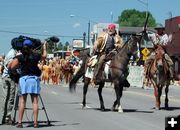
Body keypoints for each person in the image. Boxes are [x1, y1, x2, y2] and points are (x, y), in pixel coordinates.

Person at [9, 39, 47, 128]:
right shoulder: (36, 55)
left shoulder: (21, 56)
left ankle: (20, 122)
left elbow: (12, 67)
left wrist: (17, 72)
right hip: (34, 79)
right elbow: (44, 56)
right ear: (32, 47)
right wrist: (44, 47)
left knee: (22, 101)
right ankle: (35, 123)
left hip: (24, 79)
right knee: (35, 102)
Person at [0, 48, 18, 125]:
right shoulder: (12, 54)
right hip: (8, 78)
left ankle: (5, 118)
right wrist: (17, 74)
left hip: (7, 78)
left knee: (7, 98)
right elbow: (10, 67)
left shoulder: (12, 52)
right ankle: (5, 118)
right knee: (8, 98)